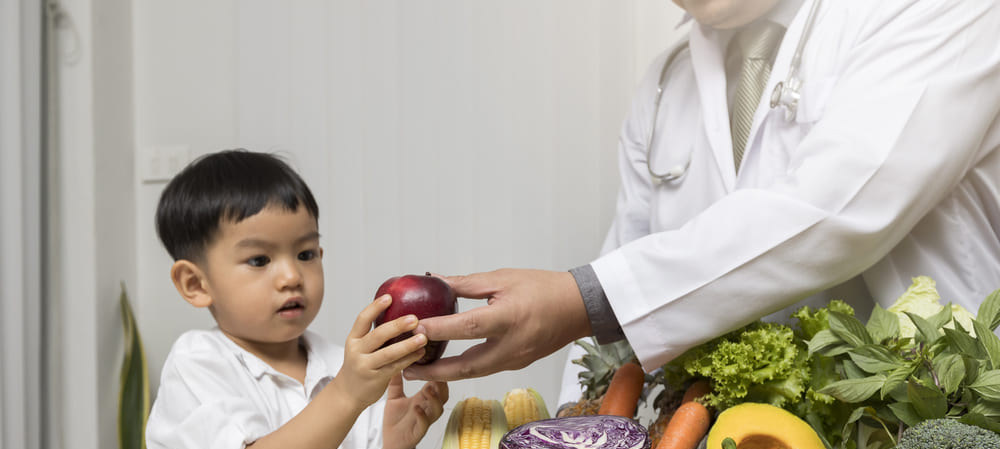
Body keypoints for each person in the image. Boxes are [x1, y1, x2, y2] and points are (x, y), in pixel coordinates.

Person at [404, 0, 1000, 401]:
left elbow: (838, 210)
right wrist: (575, 434)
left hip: (926, 427)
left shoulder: (938, 12)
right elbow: (625, 256)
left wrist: (583, 298)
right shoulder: (669, 82)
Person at [146, 149, 448, 449]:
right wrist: (346, 395)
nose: (291, 275)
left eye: (305, 254)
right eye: (259, 260)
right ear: (196, 283)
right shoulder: (197, 364)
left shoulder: (346, 366)